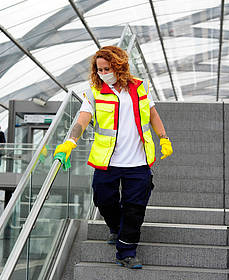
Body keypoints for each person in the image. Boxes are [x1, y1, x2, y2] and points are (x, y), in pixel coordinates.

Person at [54, 46, 173, 269]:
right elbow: (82, 120)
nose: (103, 73)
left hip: (138, 161)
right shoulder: (94, 91)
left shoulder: (141, 87)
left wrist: (164, 138)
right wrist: (69, 142)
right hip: (107, 160)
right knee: (103, 199)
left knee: (134, 207)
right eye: (99, 69)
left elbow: (153, 114)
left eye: (107, 68)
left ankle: (126, 251)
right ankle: (117, 227)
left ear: (119, 66)